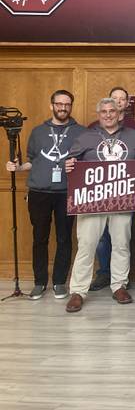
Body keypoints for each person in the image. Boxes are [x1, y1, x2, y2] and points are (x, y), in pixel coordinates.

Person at [63, 98, 135, 313]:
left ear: (120, 114)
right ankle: (78, 291)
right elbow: (70, 164)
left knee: (121, 244)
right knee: (87, 245)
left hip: (122, 200)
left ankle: (119, 286)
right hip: (91, 201)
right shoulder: (86, 137)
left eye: (113, 111)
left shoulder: (134, 137)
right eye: (104, 112)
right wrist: (69, 164)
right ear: (98, 114)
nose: (108, 115)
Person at [5, 90, 84, 300]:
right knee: (39, 238)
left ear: (71, 106)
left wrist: (77, 164)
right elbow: (33, 159)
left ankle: (59, 282)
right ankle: (40, 282)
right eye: (59, 104)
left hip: (67, 193)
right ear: (52, 106)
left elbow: (87, 163)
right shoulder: (38, 132)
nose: (63, 108)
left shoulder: (82, 132)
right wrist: (18, 167)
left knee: (64, 239)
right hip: (39, 192)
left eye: (67, 104)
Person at [88, 86, 135, 292]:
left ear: (125, 105)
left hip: (123, 193)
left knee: (122, 239)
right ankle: (104, 273)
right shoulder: (92, 129)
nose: (117, 103)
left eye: (122, 100)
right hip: (99, 194)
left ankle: (120, 281)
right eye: (114, 99)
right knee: (101, 238)